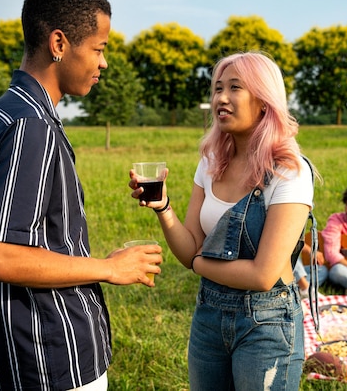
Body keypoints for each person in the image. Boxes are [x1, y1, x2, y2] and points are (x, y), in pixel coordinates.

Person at [0, 0, 162, 390]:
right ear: (59, 44)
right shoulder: (31, 126)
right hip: (49, 358)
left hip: (22, 354)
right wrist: (109, 269)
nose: (103, 63)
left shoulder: (4, 113)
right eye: (99, 48)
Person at [130, 51, 315, 391]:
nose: (221, 98)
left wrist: (200, 264)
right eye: (217, 89)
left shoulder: (289, 172)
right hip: (208, 314)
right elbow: (190, 250)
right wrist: (163, 207)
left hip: (266, 321)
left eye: (234, 87)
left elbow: (262, 275)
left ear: (263, 101)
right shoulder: (212, 162)